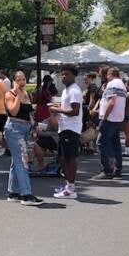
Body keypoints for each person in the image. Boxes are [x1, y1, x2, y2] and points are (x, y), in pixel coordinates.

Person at [3, 71, 40, 204]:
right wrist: (18, 95)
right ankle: (26, 194)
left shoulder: (26, 94)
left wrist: (34, 124)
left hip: (24, 128)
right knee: (23, 160)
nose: (21, 82)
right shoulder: (10, 94)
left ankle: (13, 192)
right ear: (13, 81)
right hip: (14, 128)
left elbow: (28, 112)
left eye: (23, 79)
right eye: (18, 80)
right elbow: (13, 111)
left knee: (17, 160)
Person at [50, 64, 82, 199]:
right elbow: (68, 107)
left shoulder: (74, 90)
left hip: (71, 128)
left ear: (74, 75)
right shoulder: (66, 90)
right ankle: (68, 185)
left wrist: (57, 110)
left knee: (69, 159)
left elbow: (75, 111)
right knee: (63, 158)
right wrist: (59, 106)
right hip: (64, 128)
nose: (63, 76)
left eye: (67, 74)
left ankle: (71, 189)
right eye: (62, 74)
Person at [92, 67, 125, 180]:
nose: (105, 77)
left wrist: (104, 118)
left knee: (101, 143)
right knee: (116, 145)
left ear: (110, 74)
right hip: (117, 118)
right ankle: (117, 170)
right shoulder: (121, 84)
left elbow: (111, 102)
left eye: (106, 75)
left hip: (109, 119)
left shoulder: (112, 84)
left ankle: (107, 170)